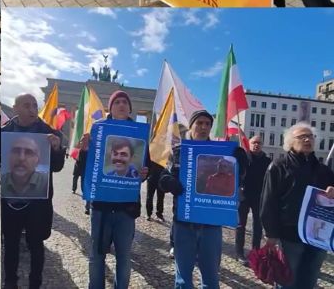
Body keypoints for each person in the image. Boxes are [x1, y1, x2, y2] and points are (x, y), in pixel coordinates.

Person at [159, 110, 245, 289]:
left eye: (208, 124)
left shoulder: (221, 153)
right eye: (200, 123)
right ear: (191, 126)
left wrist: (241, 162)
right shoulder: (178, 152)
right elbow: (163, 177)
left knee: (211, 278)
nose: (204, 127)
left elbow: (240, 177)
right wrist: (168, 181)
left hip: (210, 226)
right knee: (183, 280)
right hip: (184, 224)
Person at [0, 93, 65, 289]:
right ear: (15, 109)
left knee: (36, 245)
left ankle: (35, 283)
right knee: (11, 244)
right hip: (11, 202)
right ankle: (10, 282)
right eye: (26, 105)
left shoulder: (50, 133)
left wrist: (56, 149)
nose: (32, 109)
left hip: (38, 203)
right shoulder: (3, 133)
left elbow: (57, 167)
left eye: (35, 105)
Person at [86, 90, 148, 289]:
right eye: (117, 102)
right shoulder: (98, 130)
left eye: (125, 102)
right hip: (101, 208)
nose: (121, 105)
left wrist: (146, 173)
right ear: (110, 108)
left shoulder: (139, 135)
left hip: (126, 209)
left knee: (124, 256)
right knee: (96, 256)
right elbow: (87, 165)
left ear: (130, 108)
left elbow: (147, 165)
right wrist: (84, 150)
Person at [260, 122, 334, 289]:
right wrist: (271, 234)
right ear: (290, 142)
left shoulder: (324, 170)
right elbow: (268, 202)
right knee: (287, 281)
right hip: (289, 235)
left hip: (317, 236)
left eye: (311, 136)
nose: (308, 139)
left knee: (309, 279)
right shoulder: (278, 166)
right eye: (302, 137)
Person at [235, 134, 270, 264]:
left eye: (259, 143)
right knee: (240, 225)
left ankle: (255, 252)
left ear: (262, 145)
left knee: (258, 226)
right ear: (249, 144)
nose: (256, 145)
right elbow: (236, 172)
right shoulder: (244, 158)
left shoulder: (267, 161)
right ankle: (239, 252)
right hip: (244, 195)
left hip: (259, 197)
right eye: (254, 142)